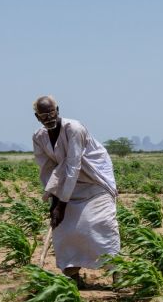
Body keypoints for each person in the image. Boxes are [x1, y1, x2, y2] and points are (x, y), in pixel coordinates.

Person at [31, 95, 121, 288]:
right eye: (43, 115)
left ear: (58, 110)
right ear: (37, 117)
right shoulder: (39, 137)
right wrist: (55, 201)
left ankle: (117, 273)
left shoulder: (74, 129)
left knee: (100, 224)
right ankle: (73, 276)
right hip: (66, 185)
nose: (48, 117)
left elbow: (73, 166)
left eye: (51, 112)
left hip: (94, 180)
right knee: (64, 229)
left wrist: (62, 205)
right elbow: (46, 169)